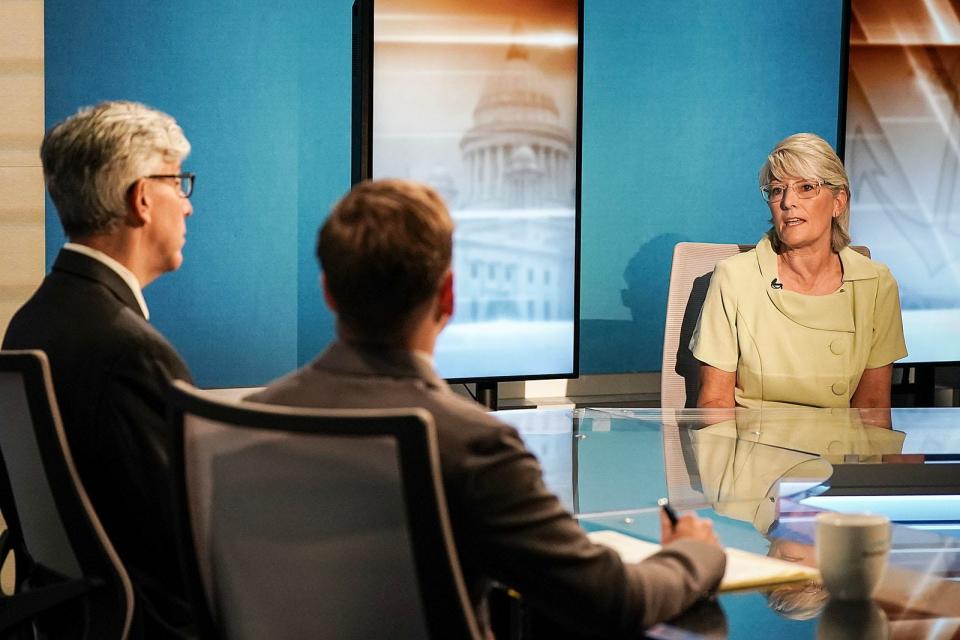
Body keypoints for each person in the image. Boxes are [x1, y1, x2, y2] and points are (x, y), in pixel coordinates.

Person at [249, 178, 725, 638]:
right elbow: (613, 602)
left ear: (329, 292)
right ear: (448, 296)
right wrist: (692, 556)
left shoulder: (251, 419)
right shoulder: (473, 444)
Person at [3, 101, 197, 637]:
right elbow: (185, 543)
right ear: (141, 198)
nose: (187, 206)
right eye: (178, 184)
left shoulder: (30, 322)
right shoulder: (130, 350)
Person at [691, 133, 907, 409]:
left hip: (835, 449)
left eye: (806, 187)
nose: (787, 201)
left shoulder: (876, 284)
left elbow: (873, 408)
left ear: (838, 201)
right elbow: (715, 402)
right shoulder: (734, 278)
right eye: (777, 190)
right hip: (751, 448)